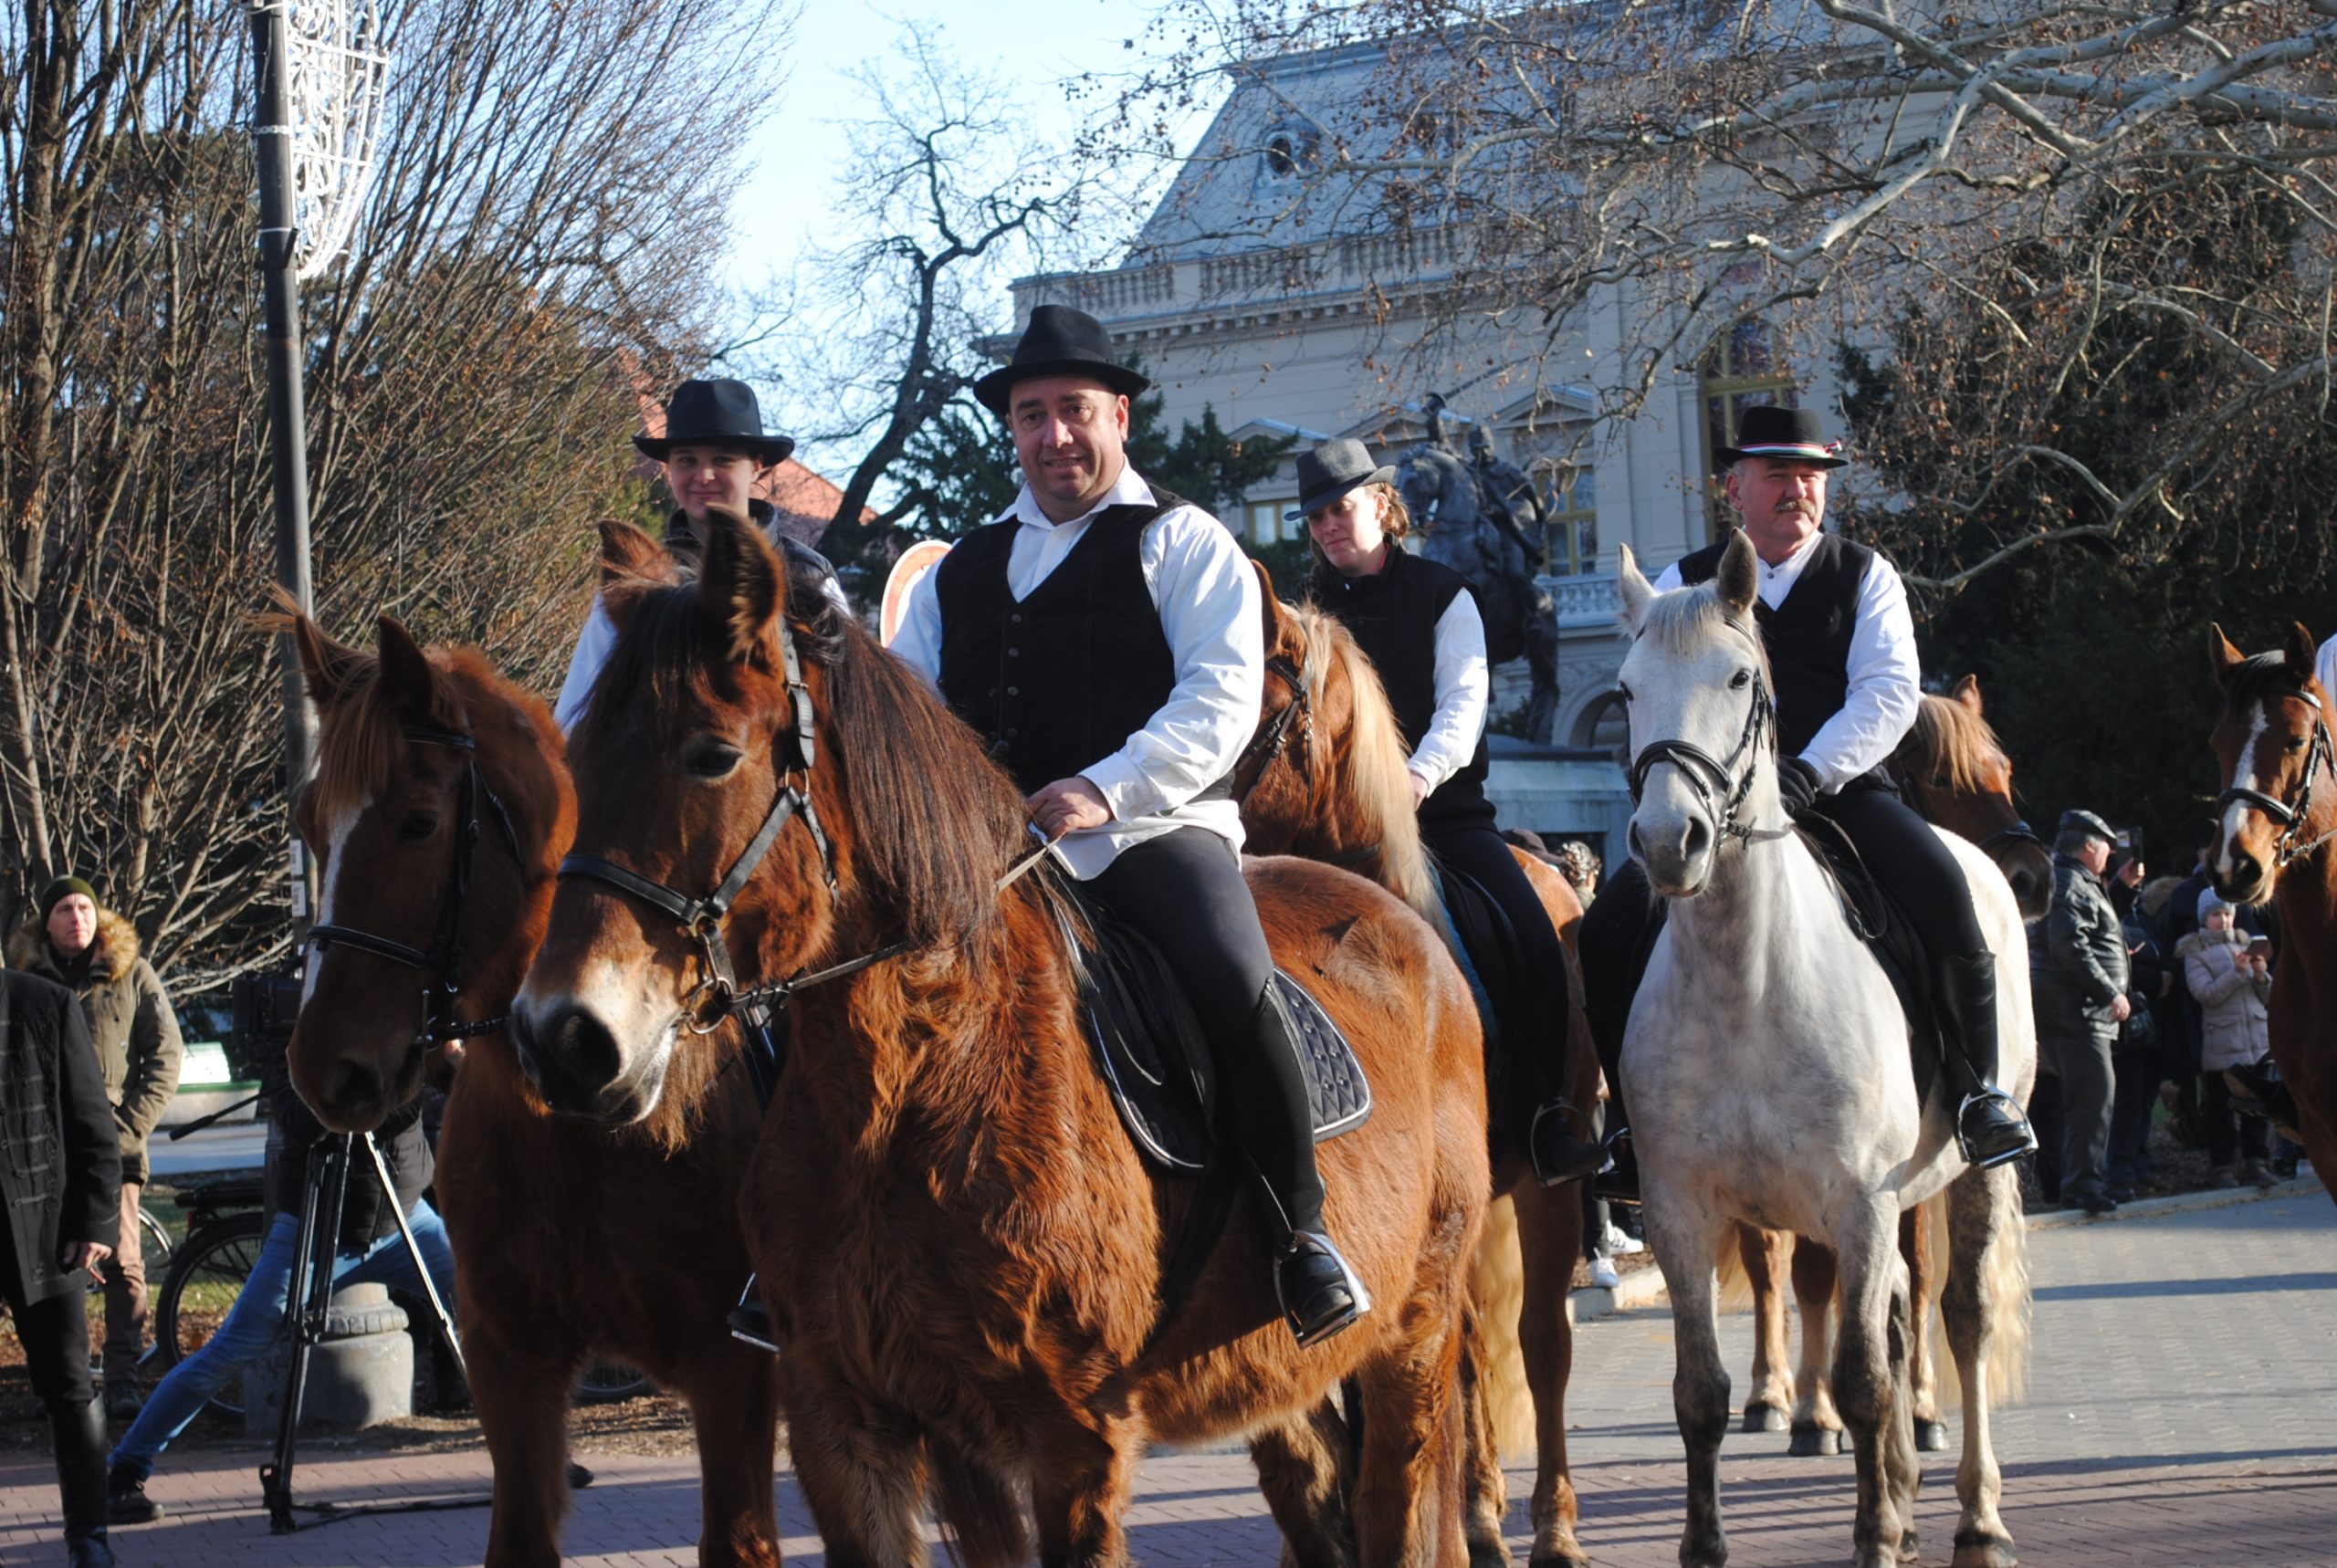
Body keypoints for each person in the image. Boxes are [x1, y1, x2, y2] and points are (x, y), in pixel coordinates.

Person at [890, 305, 1366, 1347]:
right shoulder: (955, 569)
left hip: (1149, 833)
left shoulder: (1183, 540)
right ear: (1010, 431)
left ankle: (1301, 1233)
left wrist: (1104, 787)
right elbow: (913, 715)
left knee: (1231, 980)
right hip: (991, 857)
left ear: (1119, 416)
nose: (1053, 435)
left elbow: (1220, 698)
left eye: (1072, 411)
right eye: (1030, 416)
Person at [1578, 406, 2035, 1200]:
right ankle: (1629, 1132)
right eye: (1779, 475)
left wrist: (1813, 771)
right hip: (1715, 816)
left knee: (1948, 895)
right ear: (1736, 489)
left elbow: (1889, 694)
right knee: (1611, 926)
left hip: (1843, 797)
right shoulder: (1683, 584)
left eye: (1811, 476)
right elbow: (1653, 695)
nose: (1799, 490)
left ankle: (1977, 1090)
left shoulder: (1864, 573)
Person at [1297, 438, 1603, 1186]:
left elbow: (1465, 706)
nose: (1329, 527)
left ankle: (1544, 1117)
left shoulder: (1444, 593)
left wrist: (1414, 778)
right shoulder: (1302, 615)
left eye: (1341, 509)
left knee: (1533, 943)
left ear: (1381, 504)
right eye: (1315, 518)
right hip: (1330, 830)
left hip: (1441, 820)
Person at [105, 1081, 455, 1523]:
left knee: (494, 1312)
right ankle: (126, 1469)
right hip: (312, 1226)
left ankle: (534, 1453)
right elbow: (299, 1124)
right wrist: (409, 1085)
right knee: (227, 1352)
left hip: (404, 1218)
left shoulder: (409, 1031)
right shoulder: (307, 1034)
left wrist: (446, 1066)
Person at [555, 377, 849, 732]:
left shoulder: (812, 577)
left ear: (757, 465)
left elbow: (850, 711)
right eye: (686, 460)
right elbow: (574, 719)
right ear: (668, 467)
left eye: (722, 459)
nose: (703, 476)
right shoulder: (638, 583)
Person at [11, 876, 183, 1417]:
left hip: (114, 1148)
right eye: (64, 908)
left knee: (123, 1264)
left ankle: (125, 1377)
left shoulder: (130, 972)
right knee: (44, 1266)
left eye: (85, 907)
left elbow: (166, 1055)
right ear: (47, 921)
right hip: (41, 1151)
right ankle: (63, 1382)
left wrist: (127, 1128)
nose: (77, 917)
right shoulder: (23, 981)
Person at [1, 967, 122, 1566]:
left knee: (69, 1384)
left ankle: (89, 1538)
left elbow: (94, 1126)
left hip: (44, 1234)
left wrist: (95, 1225)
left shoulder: (44, 1004)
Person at [2033, 810, 2132, 1215]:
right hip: (2079, 1011)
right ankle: (2083, 1186)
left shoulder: (2073, 880)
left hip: (2074, 1009)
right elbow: (2068, 943)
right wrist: (2110, 992)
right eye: (2107, 846)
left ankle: (2077, 1183)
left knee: (2084, 1098)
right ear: (2089, 846)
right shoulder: (2072, 882)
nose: (2110, 854)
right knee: (2093, 1097)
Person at [2179, 890, 2278, 1189]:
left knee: (2258, 1107)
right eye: (2215, 915)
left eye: (2227, 914)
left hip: (2257, 1043)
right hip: (2222, 1043)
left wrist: (2261, 976)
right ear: (2204, 919)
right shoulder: (2195, 952)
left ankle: (2257, 1162)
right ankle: (2222, 1167)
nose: (2223, 920)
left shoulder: (2247, 944)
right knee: (2221, 1109)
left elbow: (2269, 998)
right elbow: (2205, 994)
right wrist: (2236, 974)